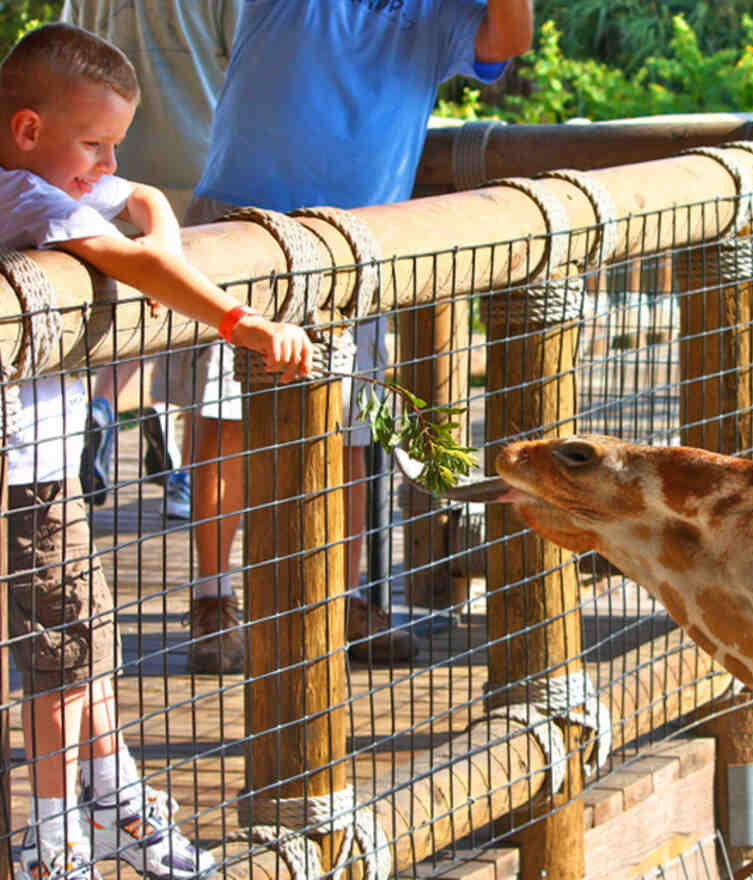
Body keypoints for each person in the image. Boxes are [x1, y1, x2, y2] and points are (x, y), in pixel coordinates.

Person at [0, 22, 313, 880]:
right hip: (24, 466)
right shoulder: (26, 197)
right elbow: (128, 260)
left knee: (82, 639)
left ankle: (113, 805)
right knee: (63, 655)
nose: (105, 164)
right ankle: (57, 833)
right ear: (28, 130)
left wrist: (162, 234)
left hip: (48, 459)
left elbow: (142, 207)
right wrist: (239, 321)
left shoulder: (52, 176)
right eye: (94, 144)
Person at [173, 0, 534, 673]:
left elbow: (511, 37)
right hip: (240, 229)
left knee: (350, 437)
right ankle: (212, 600)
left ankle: (342, 600)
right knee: (225, 422)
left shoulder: (438, 16)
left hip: (356, 247)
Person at [62, 0, 240, 522]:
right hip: (200, 155)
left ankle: (103, 406)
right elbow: (242, 58)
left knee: (129, 303)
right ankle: (179, 470)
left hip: (104, 161)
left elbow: (69, 57)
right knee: (186, 319)